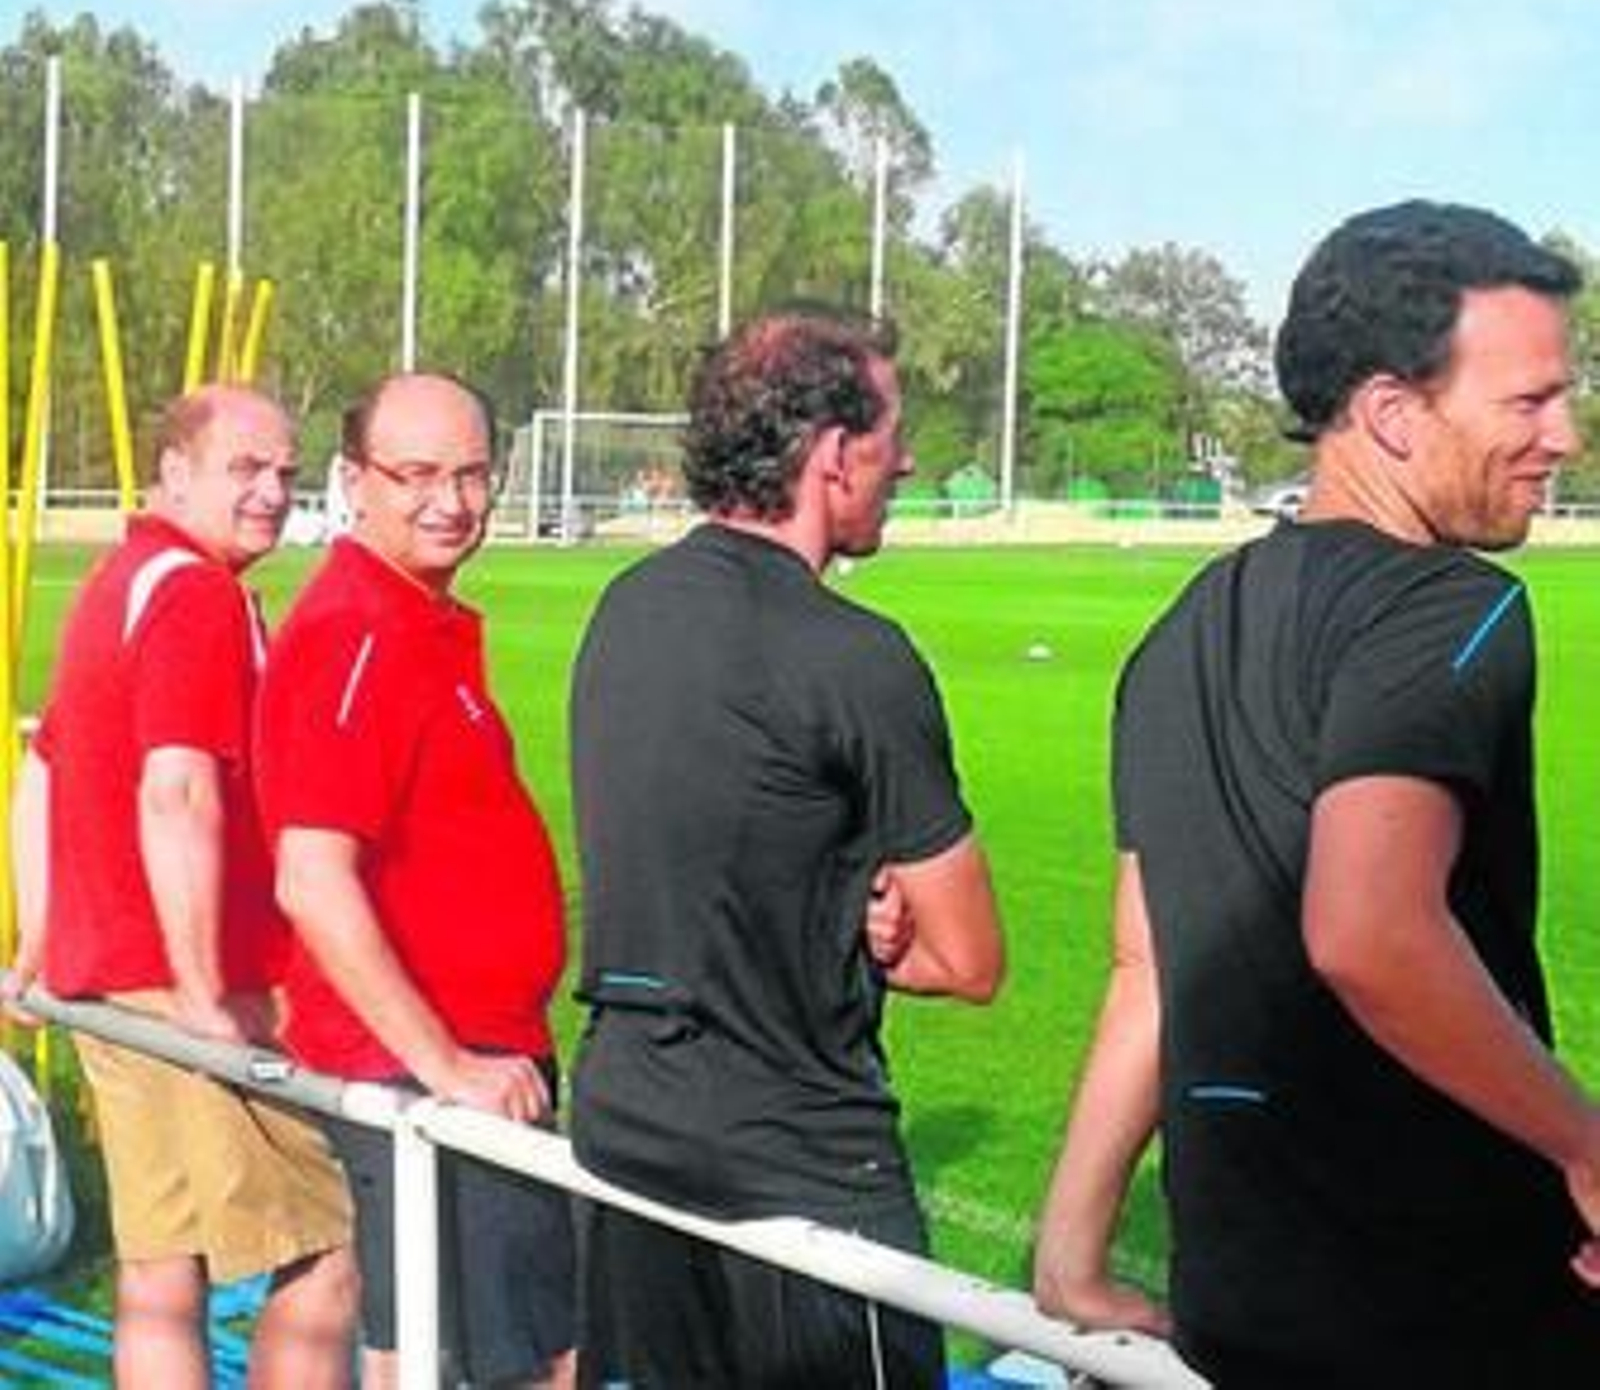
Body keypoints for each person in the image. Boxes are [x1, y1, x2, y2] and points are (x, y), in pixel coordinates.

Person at [1032, 200, 1600, 1388]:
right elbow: (1367, 928)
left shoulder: (1179, 632)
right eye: (1530, 400)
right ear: (1391, 413)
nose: (1568, 436)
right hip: (1441, 1301)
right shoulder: (1454, 607)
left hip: (1244, 1296)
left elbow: (1149, 962)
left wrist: (1068, 1255)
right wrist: (1585, 1144)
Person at [569, 307, 1006, 1388]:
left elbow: (715, 847)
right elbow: (970, 959)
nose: (905, 459)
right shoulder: (852, 656)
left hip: (624, 1120)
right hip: (794, 1152)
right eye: (890, 433)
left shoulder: (623, 610)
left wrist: (841, 906)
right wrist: (879, 930)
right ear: (828, 452)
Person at [5, 385, 358, 1389]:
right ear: (172, 473)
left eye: (286, 472)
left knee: (163, 1268)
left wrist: (42, 942)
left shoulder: (119, 577)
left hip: (100, 979)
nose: (272, 492)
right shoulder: (197, 596)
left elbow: (44, 767)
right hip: (171, 985)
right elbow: (179, 789)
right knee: (323, 1253)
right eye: (244, 468)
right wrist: (207, 992)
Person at [254, 371, 575, 1390]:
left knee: (425, 1350)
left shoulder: (414, 618)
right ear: (355, 480)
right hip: (436, 1070)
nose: (450, 499)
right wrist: (445, 1063)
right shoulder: (360, 628)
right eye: (417, 474)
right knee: (523, 1365)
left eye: (473, 473)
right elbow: (312, 875)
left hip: (463, 1055)